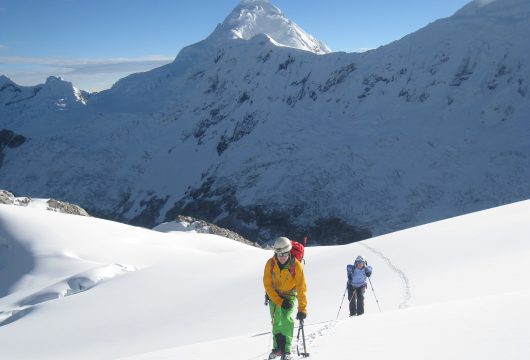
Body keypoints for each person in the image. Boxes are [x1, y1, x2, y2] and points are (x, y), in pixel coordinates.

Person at [263, 237, 307, 360]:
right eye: (280, 254)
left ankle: (286, 350)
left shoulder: (296, 265)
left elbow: (301, 288)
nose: (283, 257)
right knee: (276, 321)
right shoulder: (270, 264)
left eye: (285, 254)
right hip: (274, 296)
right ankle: (277, 349)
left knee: (286, 320)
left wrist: (302, 309)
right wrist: (279, 301)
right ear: (275, 253)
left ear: (289, 252)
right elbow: (267, 285)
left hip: (289, 295)